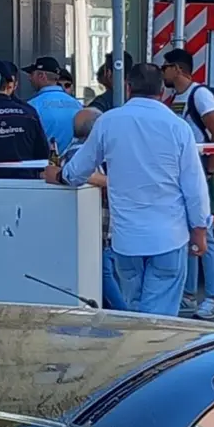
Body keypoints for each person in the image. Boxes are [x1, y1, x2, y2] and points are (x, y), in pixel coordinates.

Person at [45, 64, 210, 316]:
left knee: (134, 310)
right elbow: (194, 185)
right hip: (169, 236)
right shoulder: (178, 127)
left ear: (129, 88)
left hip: (127, 239)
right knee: (161, 314)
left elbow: (77, 171)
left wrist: (57, 175)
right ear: (161, 91)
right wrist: (199, 229)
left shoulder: (108, 122)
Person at [162, 48, 214, 321]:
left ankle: (211, 298)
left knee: (206, 236)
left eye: (165, 67)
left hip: (199, 172)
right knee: (190, 234)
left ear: (177, 69)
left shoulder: (199, 95)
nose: (162, 72)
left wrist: (209, 171)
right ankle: (189, 297)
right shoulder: (175, 97)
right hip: (182, 172)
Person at [60, 108, 127, 310]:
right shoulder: (80, 152)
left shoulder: (79, 150)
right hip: (100, 223)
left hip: (100, 223)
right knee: (106, 270)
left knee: (108, 268)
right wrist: (116, 182)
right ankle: (124, 312)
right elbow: (81, 174)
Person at [23, 55, 82, 150]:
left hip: (45, 163)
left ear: (41, 76)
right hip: (72, 161)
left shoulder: (32, 106)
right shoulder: (77, 105)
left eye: (31, 74)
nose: (29, 78)